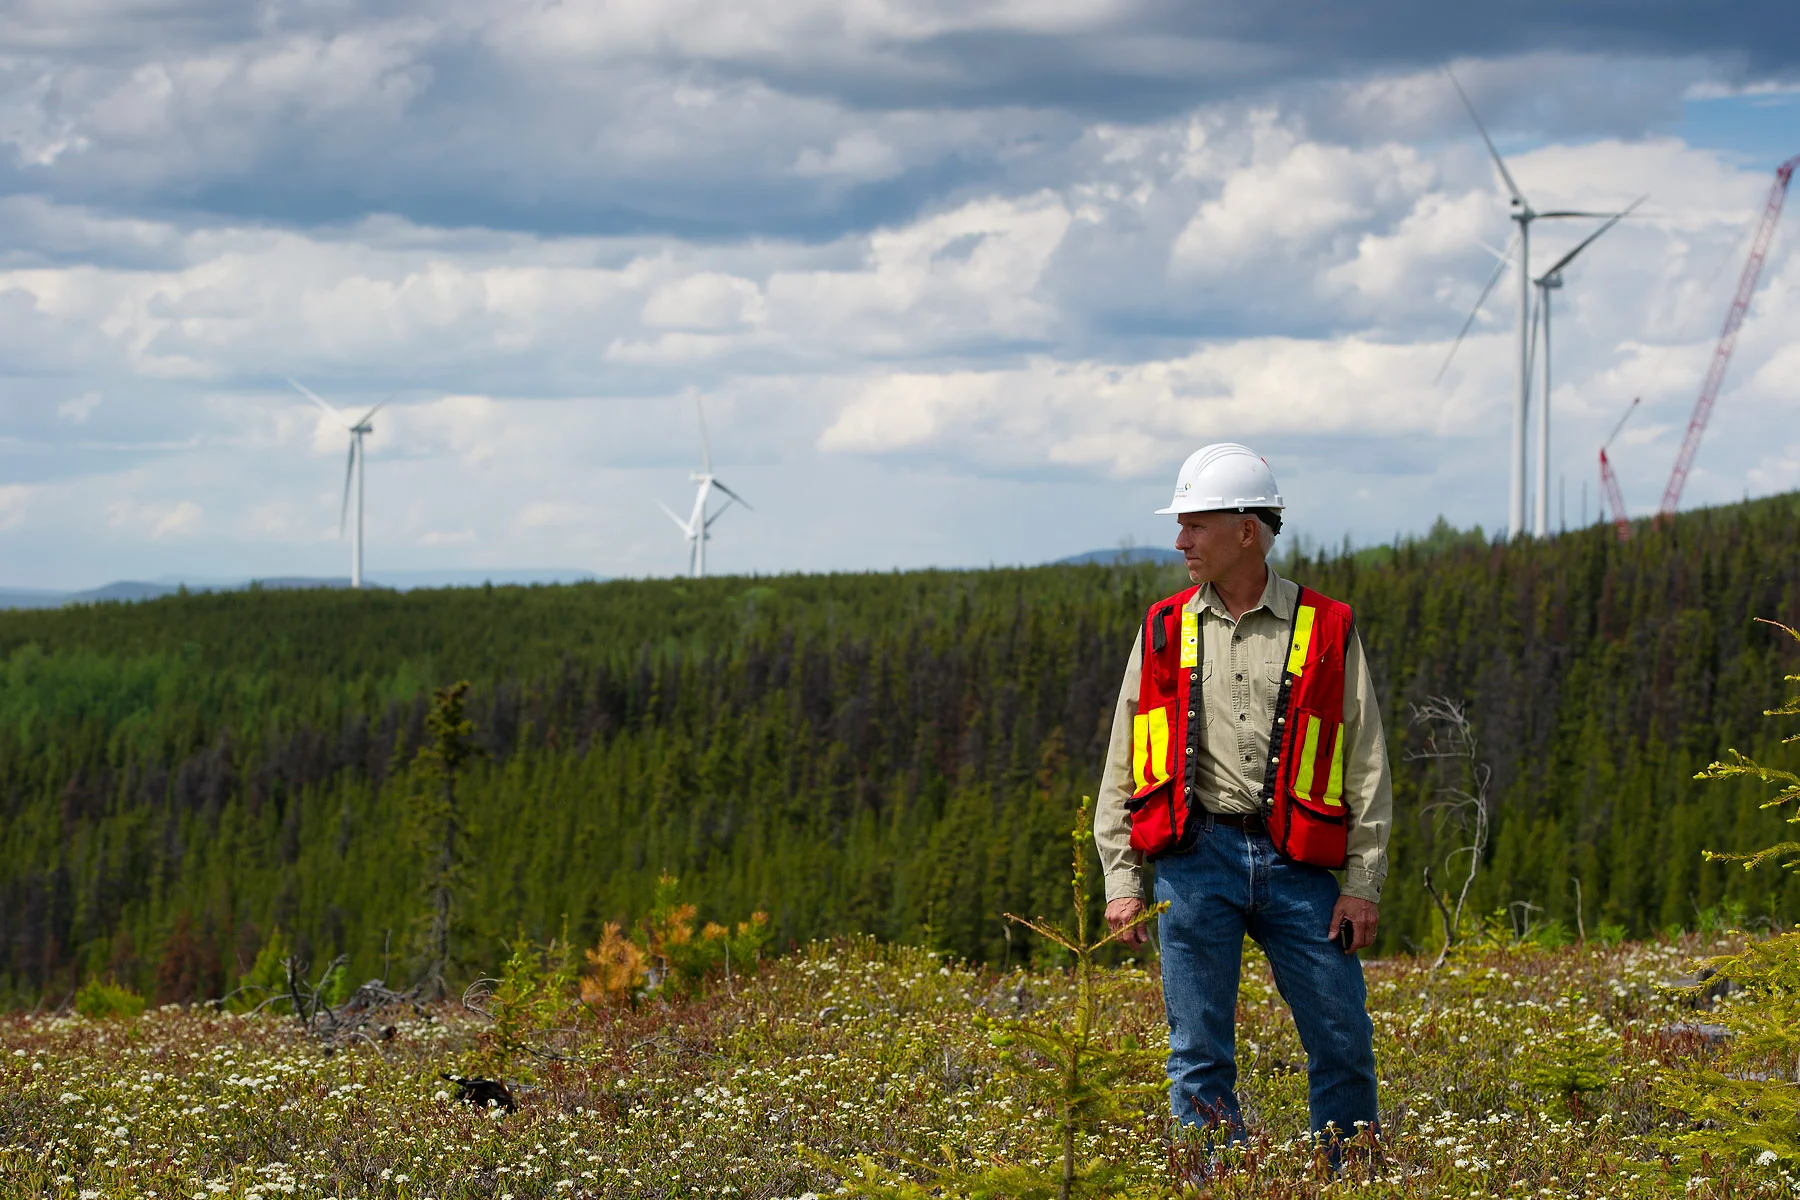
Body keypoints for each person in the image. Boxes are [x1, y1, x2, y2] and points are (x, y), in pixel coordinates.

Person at [1094, 442, 1391, 1153]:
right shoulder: (1164, 628)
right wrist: (1123, 879)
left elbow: (1367, 761)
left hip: (1302, 867)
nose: (1180, 540)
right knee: (1197, 1054)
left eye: (1195, 524)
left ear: (1246, 529)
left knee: (1342, 1037)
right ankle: (1213, 1182)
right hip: (1195, 860)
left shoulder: (1327, 627)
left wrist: (1363, 883)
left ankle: (1349, 1177)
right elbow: (1124, 762)